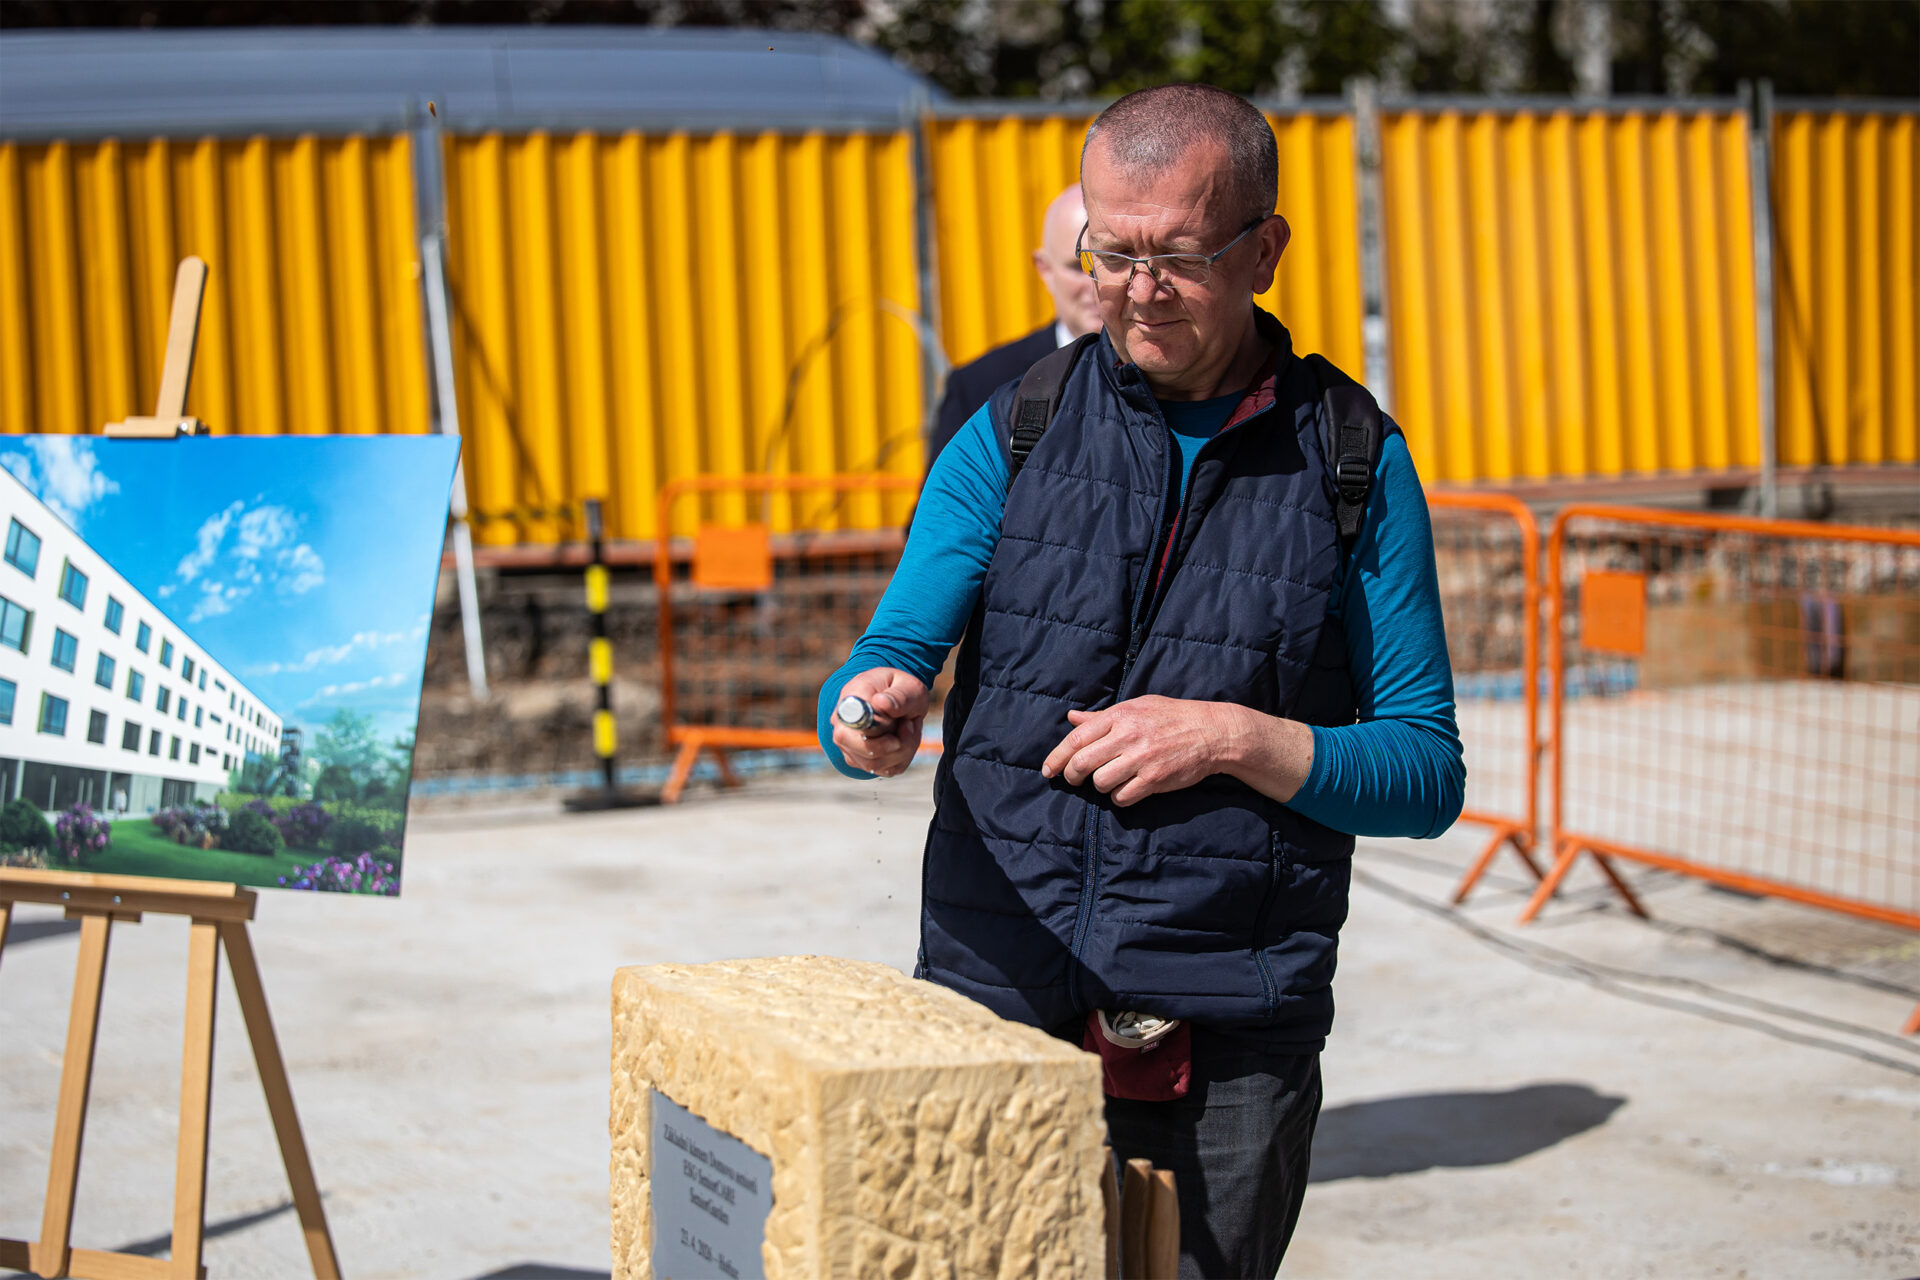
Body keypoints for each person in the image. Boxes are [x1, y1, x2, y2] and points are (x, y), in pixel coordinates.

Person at [820, 83, 1463, 1278]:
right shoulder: (1014, 423)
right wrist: (869, 711)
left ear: (1264, 249)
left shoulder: (1354, 460)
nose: (1133, 291)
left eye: (1175, 258)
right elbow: (885, 657)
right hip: (992, 982)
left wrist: (1232, 737)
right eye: (1108, 254)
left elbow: (1424, 771)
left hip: (1228, 1011)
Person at [924, 184, 1102, 469]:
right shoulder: (981, 388)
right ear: (1045, 269)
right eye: (1077, 266)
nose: (1095, 285)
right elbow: (938, 510)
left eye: (1111, 261)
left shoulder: (1177, 375)